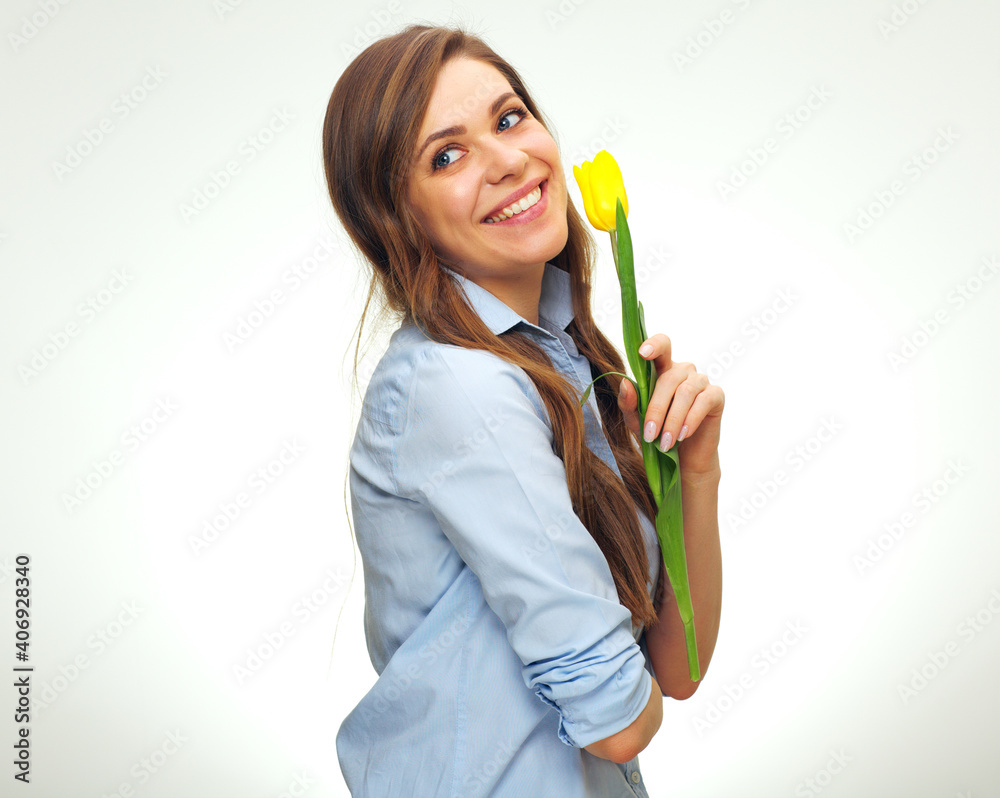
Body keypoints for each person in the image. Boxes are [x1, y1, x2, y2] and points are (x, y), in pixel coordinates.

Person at [321, 23, 724, 798]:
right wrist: (620, 684)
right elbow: (621, 722)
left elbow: (678, 667)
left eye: (508, 119)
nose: (509, 159)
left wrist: (692, 475)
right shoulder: (461, 386)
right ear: (394, 217)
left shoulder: (561, 361)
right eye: (447, 154)